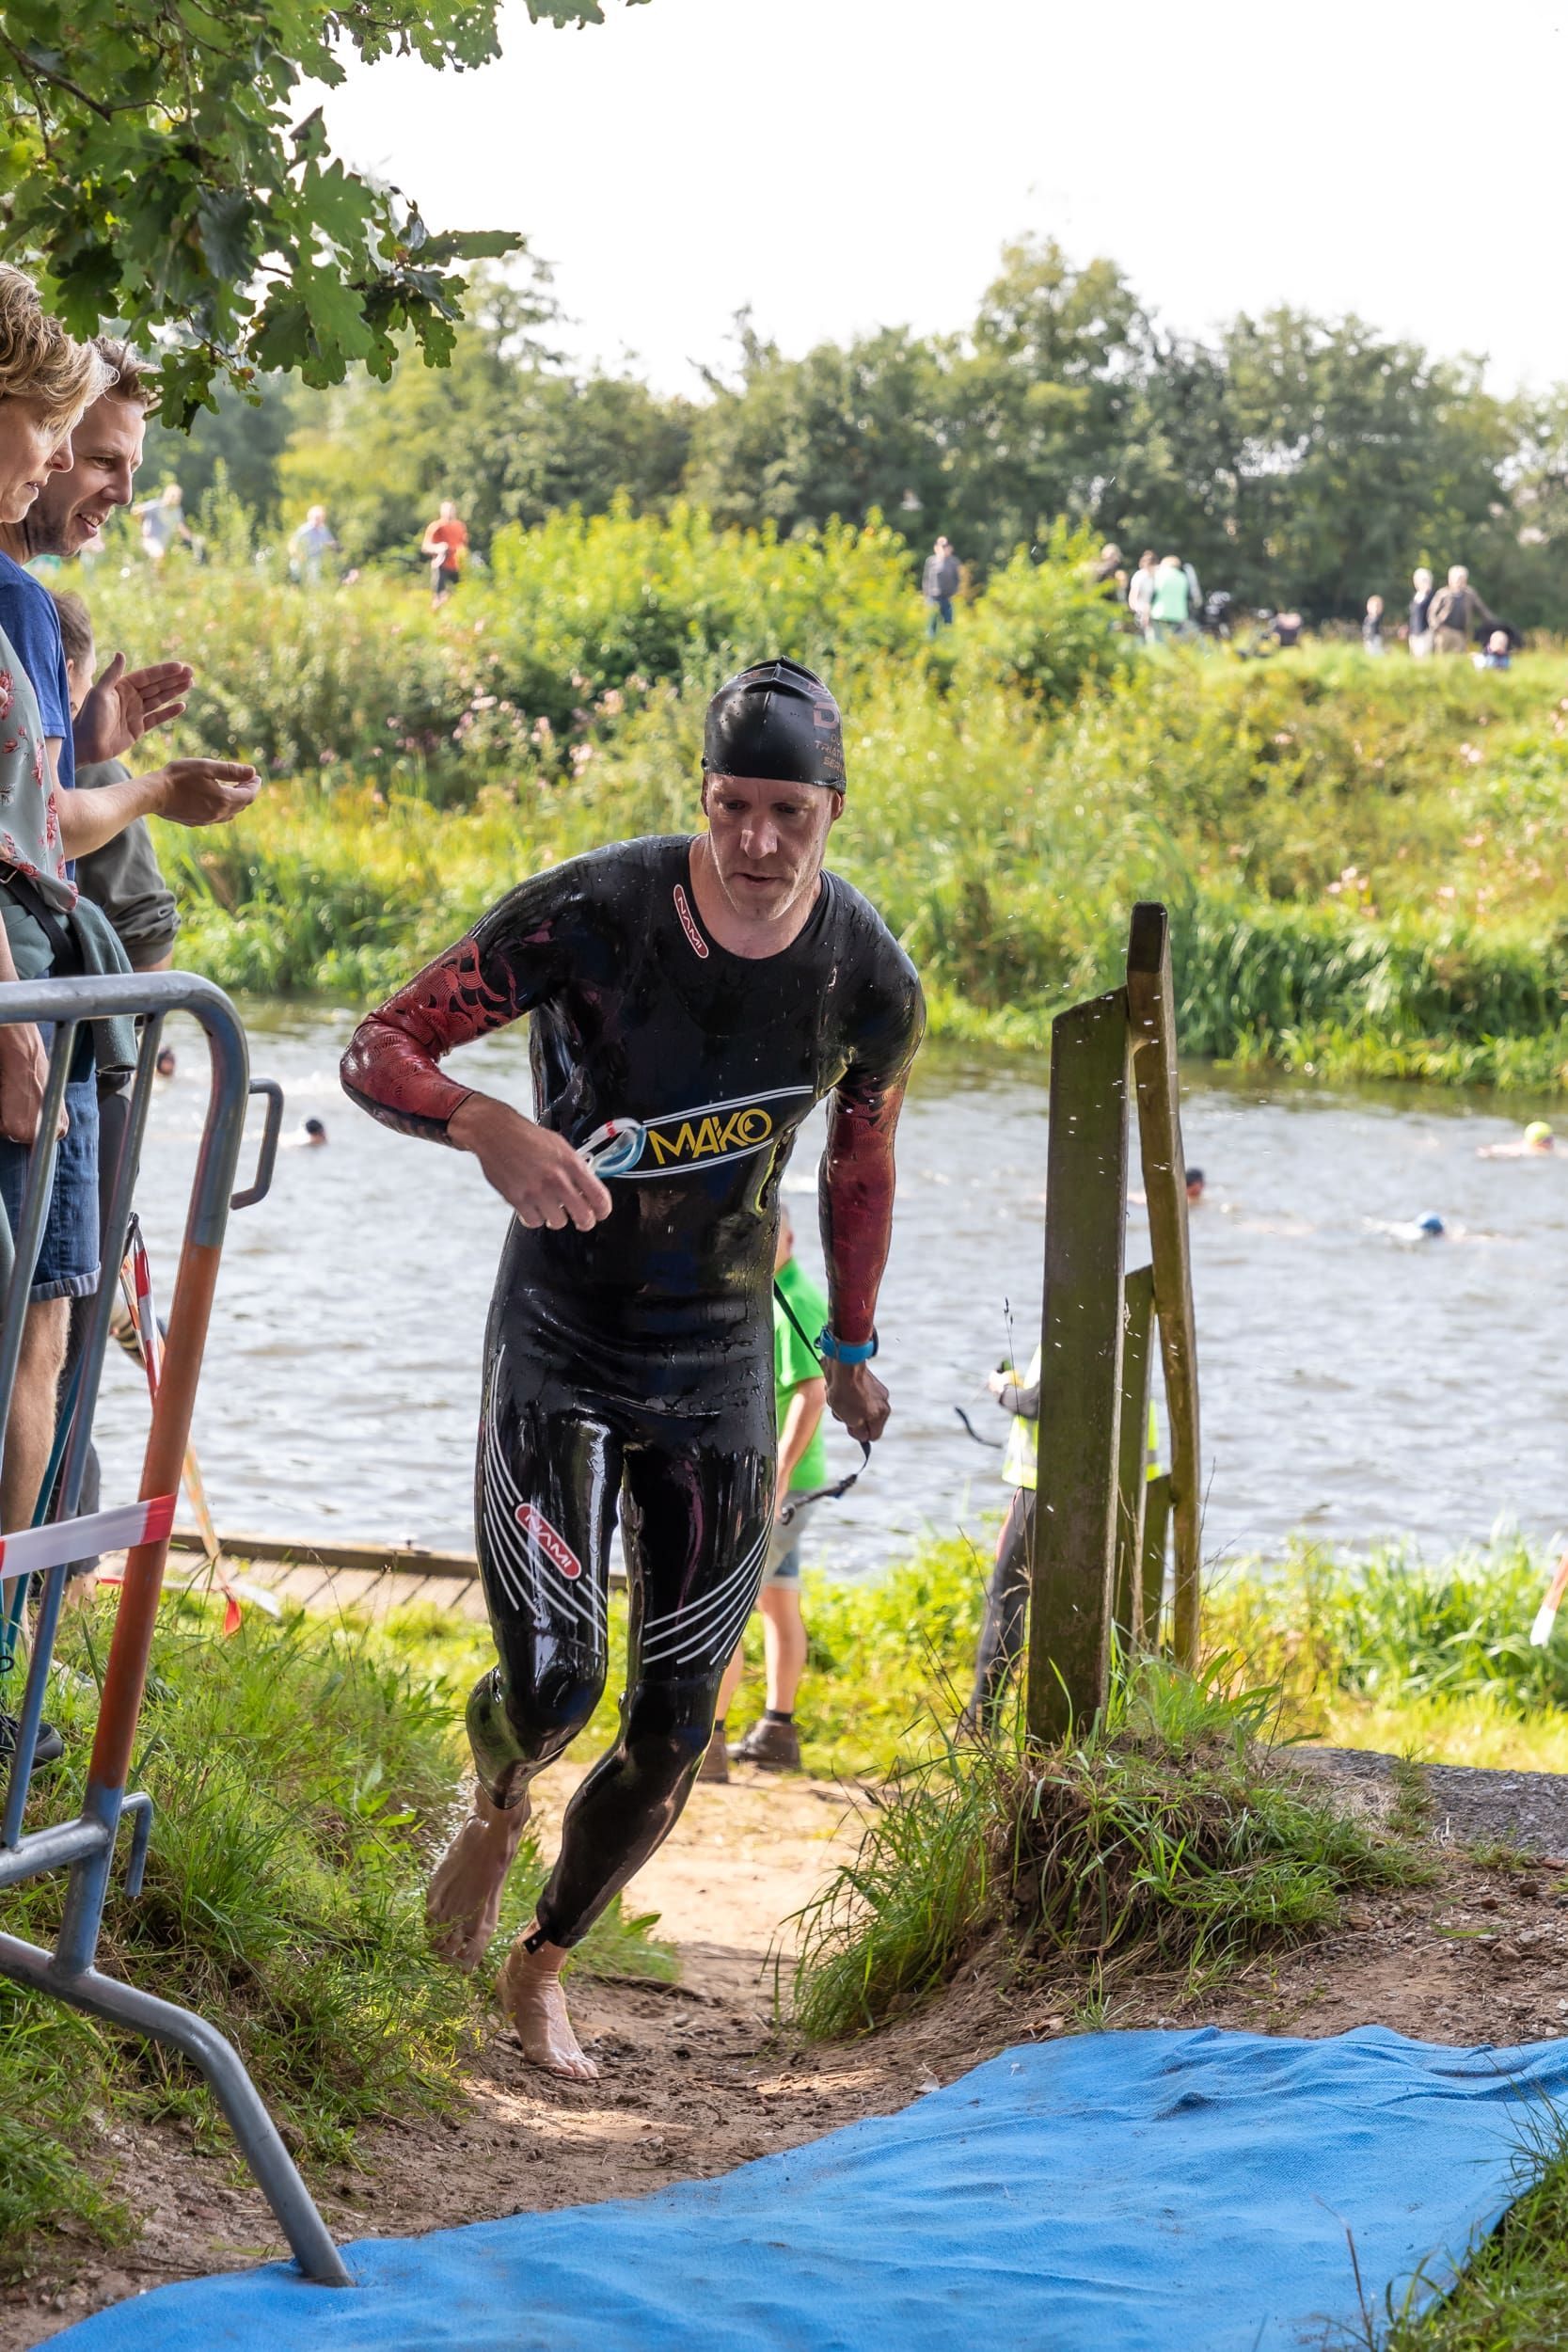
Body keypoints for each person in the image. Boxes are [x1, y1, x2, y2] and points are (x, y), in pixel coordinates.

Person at [341, 656, 924, 2079]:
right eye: (732, 807)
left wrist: (848, 1342)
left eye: (787, 812)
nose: (758, 843)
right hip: (558, 1332)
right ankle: (492, 1801)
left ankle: (542, 1967)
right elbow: (379, 1046)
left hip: (719, 1355)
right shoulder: (592, 911)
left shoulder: (868, 977)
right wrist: (490, 1128)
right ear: (702, 799)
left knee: (673, 1724)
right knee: (552, 1684)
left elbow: (861, 1158)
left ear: (831, 808)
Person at [709, 1207, 829, 1776]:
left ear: (790, 1238)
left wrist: (776, 1475)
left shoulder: (793, 1299)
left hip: (779, 1483)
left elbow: (812, 1390)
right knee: (779, 1600)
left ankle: (706, 1741)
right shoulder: (776, 1290)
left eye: (770, 1239)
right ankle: (777, 1731)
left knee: (727, 1604)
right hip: (791, 1482)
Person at [52, 591, 178, 973]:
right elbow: (146, 938)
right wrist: (161, 789)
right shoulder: (97, 776)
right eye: (88, 680)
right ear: (65, 675)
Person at [962, 1345, 1040, 1731]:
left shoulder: (1066, 1323)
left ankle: (981, 1721)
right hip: (1085, 1488)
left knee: (1006, 1600)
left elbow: (1037, 1402)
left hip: (1038, 1492)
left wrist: (1001, 1389)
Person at [1427, 565, 1500, 657]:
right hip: (1444, 631)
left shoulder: (1469, 594)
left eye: (1462, 579)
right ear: (1450, 579)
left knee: (1458, 658)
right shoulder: (1442, 593)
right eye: (1457, 579)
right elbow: (1432, 612)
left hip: (1460, 633)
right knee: (1442, 658)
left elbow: (1482, 609)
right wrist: (1436, 626)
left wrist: (1494, 622)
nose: (1459, 581)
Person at [421, 500, 468, 607]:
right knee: (439, 597)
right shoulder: (436, 526)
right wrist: (438, 548)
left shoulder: (460, 527)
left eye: (451, 510)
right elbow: (425, 546)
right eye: (447, 510)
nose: (449, 513)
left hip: (458, 566)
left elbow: (464, 545)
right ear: (441, 512)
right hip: (441, 564)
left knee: (462, 596)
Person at [134, 482, 192, 566]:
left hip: (164, 545)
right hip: (150, 540)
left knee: (165, 563)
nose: (176, 499)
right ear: (167, 495)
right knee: (159, 557)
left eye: (179, 496)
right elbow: (136, 511)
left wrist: (193, 539)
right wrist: (141, 527)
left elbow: (181, 528)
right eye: (174, 496)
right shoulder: (156, 506)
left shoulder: (177, 512)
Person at [289, 505, 337, 586]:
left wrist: (336, 546)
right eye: (317, 517)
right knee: (296, 571)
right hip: (302, 558)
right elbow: (292, 544)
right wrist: (298, 555)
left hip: (317, 559)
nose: (319, 520)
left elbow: (330, 542)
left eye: (321, 517)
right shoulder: (304, 530)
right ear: (310, 517)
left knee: (315, 577)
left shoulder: (324, 530)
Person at [921, 535, 959, 634]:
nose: (943, 548)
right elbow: (926, 579)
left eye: (945, 546)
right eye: (941, 546)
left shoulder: (953, 562)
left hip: (947, 598)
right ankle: (930, 645)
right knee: (931, 623)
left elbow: (957, 579)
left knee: (948, 623)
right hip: (933, 597)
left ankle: (947, 645)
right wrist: (926, 594)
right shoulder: (931, 561)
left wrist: (954, 593)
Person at [1148, 554, 1191, 642]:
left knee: (1158, 640)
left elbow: (1153, 593)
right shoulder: (1183, 577)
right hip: (1178, 614)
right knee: (1173, 641)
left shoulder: (1160, 575)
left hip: (1160, 612)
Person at [1477, 1120, 1553, 1159]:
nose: (1551, 1143)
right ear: (1536, 1142)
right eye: (1548, 1140)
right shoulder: (1529, 1151)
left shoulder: (1525, 1144)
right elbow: (1501, 1149)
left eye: (1551, 1138)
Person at [1127, 549, 1157, 640]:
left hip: (1153, 609)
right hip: (1140, 609)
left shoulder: (1156, 576)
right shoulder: (1140, 576)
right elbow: (1134, 595)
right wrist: (1135, 609)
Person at [1408, 567, 1434, 660]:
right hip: (1414, 632)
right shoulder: (1416, 596)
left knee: (1423, 657)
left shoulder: (1431, 596)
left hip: (1425, 631)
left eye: (1424, 580)